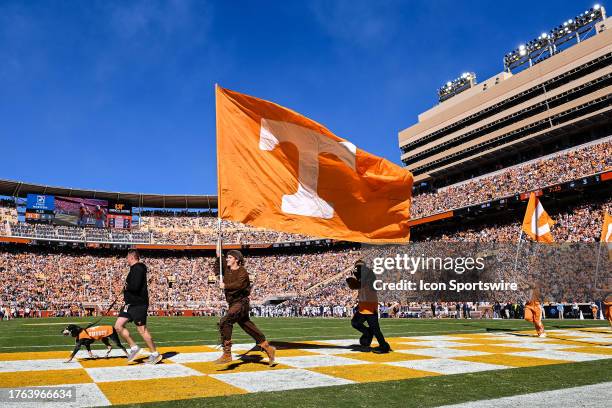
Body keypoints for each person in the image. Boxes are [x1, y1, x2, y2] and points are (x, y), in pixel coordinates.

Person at [214, 250, 275, 365]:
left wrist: (225, 286)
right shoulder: (226, 269)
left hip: (241, 303)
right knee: (247, 325)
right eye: (227, 257)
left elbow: (239, 285)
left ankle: (227, 354)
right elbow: (219, 261)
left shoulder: (243, 272)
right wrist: (218, 254)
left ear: (236, 259)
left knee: (225, 320)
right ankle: (267, 347)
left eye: (230, 257)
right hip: (232, 303)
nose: (227, 259)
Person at [114, 250, 162, 364]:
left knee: (142, 330)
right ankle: (134, 348)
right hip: (130, 304)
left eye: (127, 257)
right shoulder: (133, 269)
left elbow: (135, 286)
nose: (126, 259)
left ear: (131, 257)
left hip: (138, 304)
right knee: (118, 326)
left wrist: (125, 287)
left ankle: (155, 354)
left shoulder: (138, 268)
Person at [346, 259, 391, 353]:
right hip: (363, 307)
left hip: (370, 307)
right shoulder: (362, 277)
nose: (357, 269)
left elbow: (364, 284)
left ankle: (383, 346)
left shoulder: (370, 275)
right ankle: (367, 332)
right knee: (355, 322)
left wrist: (357, 280)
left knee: (375, 329)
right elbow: (360, 288)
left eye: (359, 267)